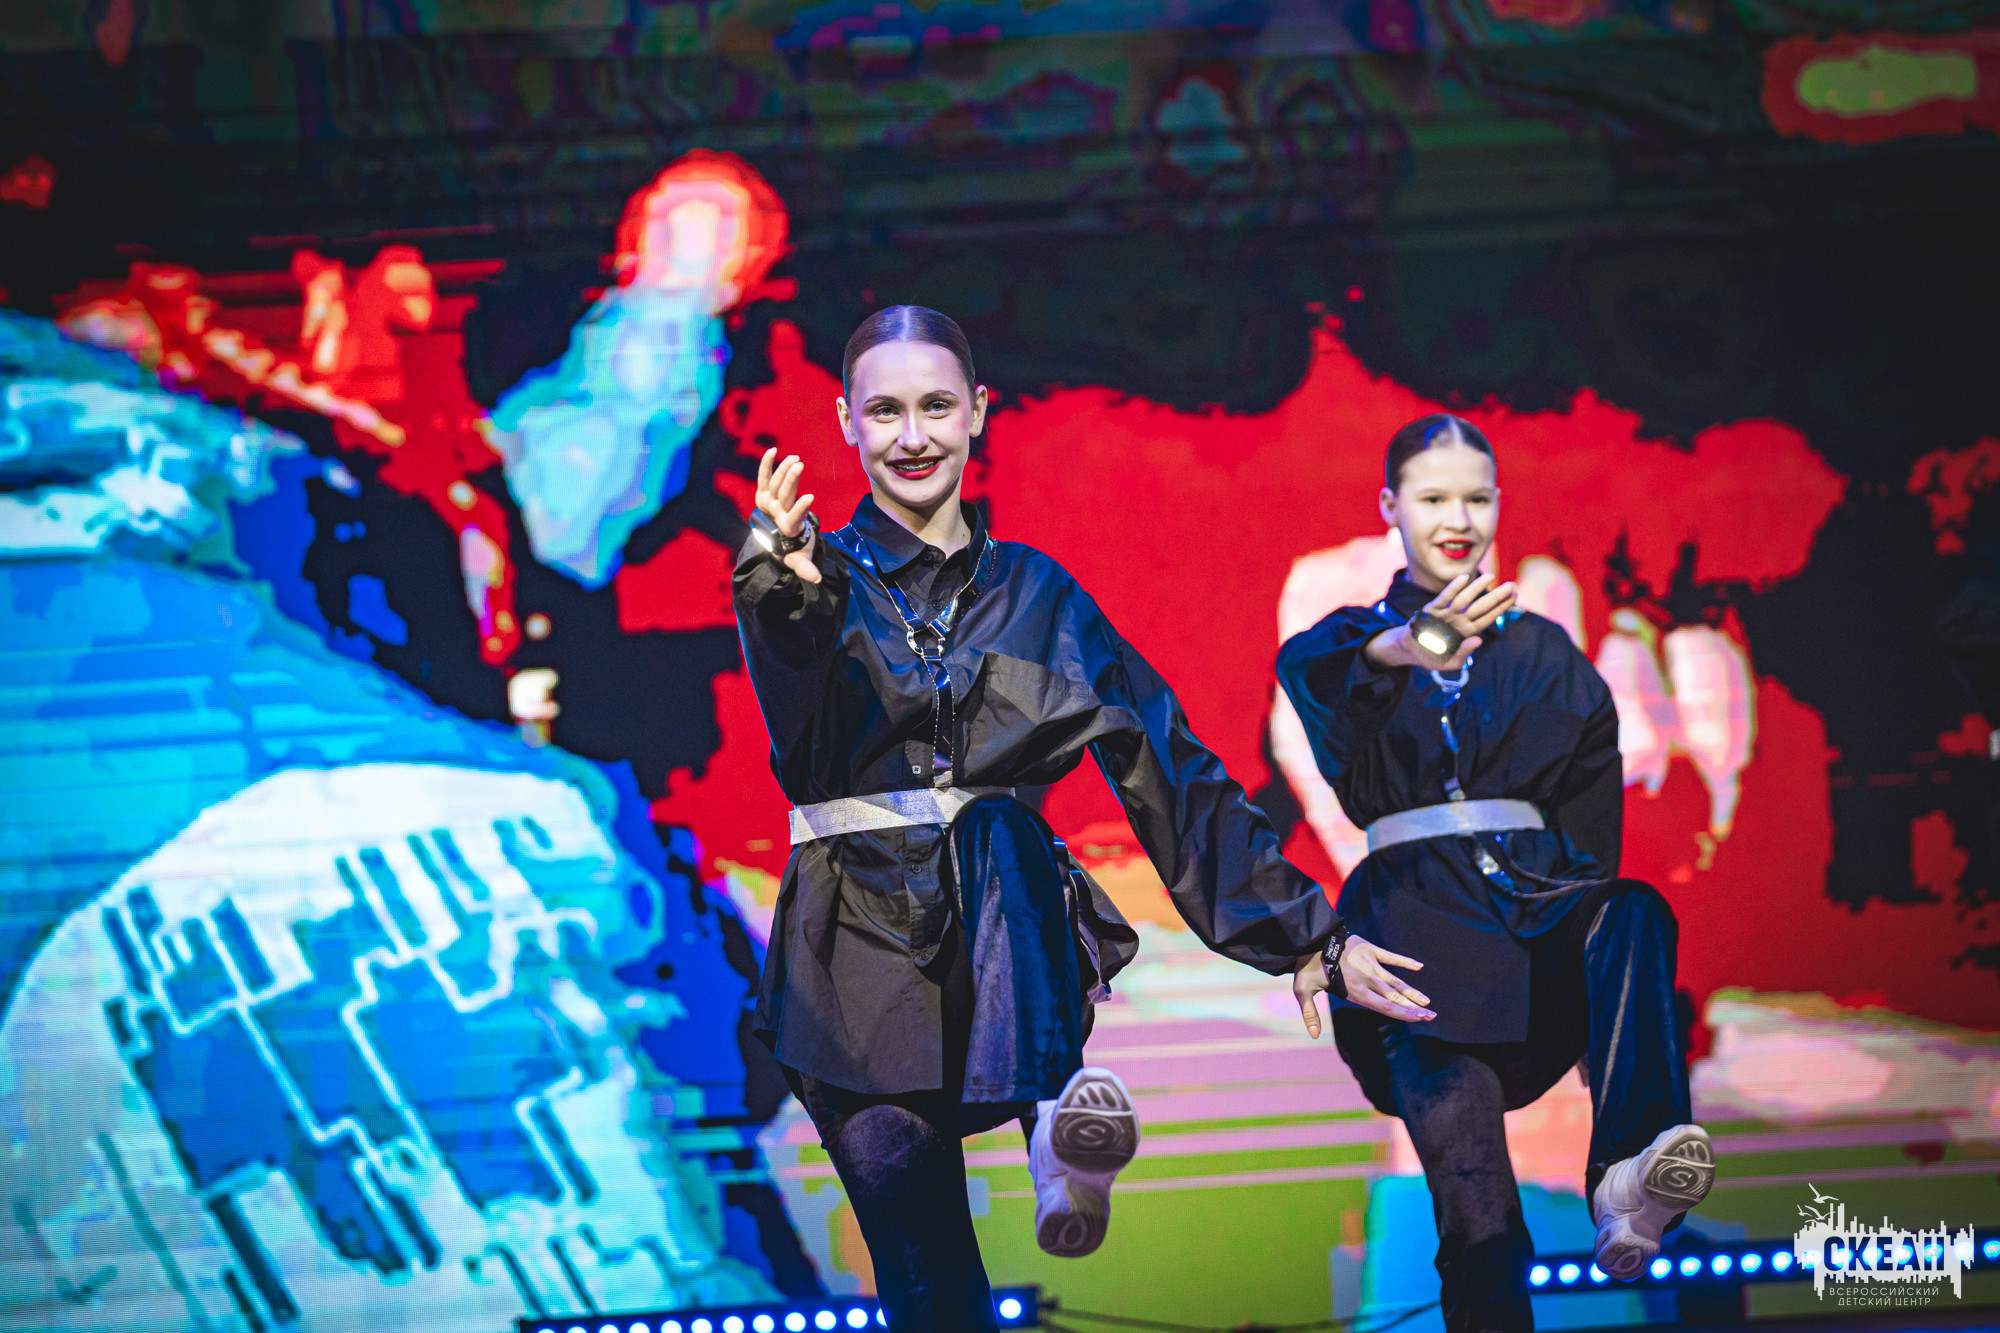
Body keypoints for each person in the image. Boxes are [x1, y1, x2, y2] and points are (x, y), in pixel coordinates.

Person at [733, 306, 1341, 1331]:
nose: (913, 435)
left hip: (1000, 957)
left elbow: (1164, 764)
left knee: (997, 822)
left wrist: (1301, 934)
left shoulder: (1038, 595)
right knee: (932, 1286)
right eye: (885, 412)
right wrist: (777, 581)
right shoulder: (809, 579)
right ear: (845, 423)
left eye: (936, 406)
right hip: (850, 973)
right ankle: (1045, 1135)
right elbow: (789, 688)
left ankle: (1055, 1113)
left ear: (978, 412)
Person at [1280, 414, 1714, 1332]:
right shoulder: (1351, 637)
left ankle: (1627, 1173)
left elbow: (1591, 826)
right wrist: (1407, 645)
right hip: (1414, 958)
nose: (1458, 518)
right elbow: (1310, 673)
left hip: (1529, 926)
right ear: (1390, 505)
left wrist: (1594, 981)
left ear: (1499, 505)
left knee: (1630, 908)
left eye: (1476, 498)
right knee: (1481, 1227)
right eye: (1434, 497)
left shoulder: (1546, 651)